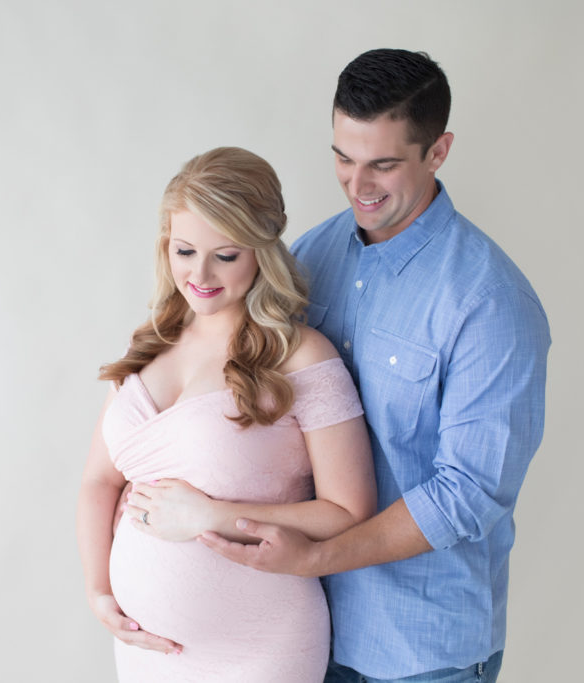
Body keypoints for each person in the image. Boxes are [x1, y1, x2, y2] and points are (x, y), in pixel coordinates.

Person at [198, 50, 551, 683]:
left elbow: (466, 494)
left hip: (420, 655)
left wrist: (318, 557)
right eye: (343, 157)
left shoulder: (490, 302)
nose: (358, 185)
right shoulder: (310, 256)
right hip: (301, 630)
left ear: (438, 151)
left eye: (383, 164)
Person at [75, 146, 377, 682]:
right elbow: (100, 481)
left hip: (259, 648)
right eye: (185, 250)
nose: (202, 274)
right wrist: (101, 593)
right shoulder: (148, 345)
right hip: (147, 651)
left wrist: (215, 516)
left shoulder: (302, 357)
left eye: (227, 255)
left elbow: (349, 512)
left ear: (263, 251)